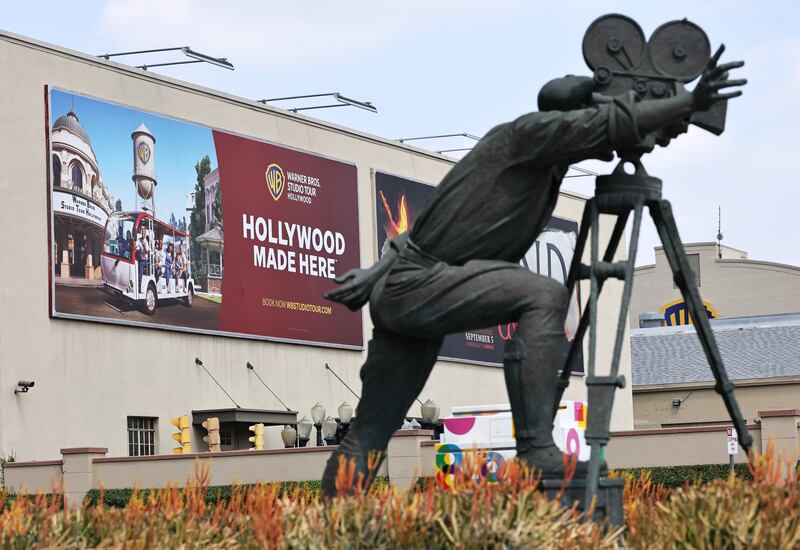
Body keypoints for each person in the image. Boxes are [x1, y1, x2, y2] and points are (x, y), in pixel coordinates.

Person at [321, 48, 745, 495]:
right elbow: (604, 126)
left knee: (367, 434)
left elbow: (424, 230)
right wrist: (689, 102)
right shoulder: (529, 134)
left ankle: (335, 530)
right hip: (419, 284)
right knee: (543, 295)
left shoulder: (527, 158)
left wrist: (376, 273)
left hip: (410, 284)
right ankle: (535, 449)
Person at [136, 226, 150, 293]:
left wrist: (144, 246)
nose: (143, 233)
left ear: (145, 233)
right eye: (142, 232)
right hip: (139, 257)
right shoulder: (139, 240)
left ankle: (139, 284)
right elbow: (136, 247)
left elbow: (146, 252)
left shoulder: (146, 242)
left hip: (144, 260)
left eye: (144, 232)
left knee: (140, 266)